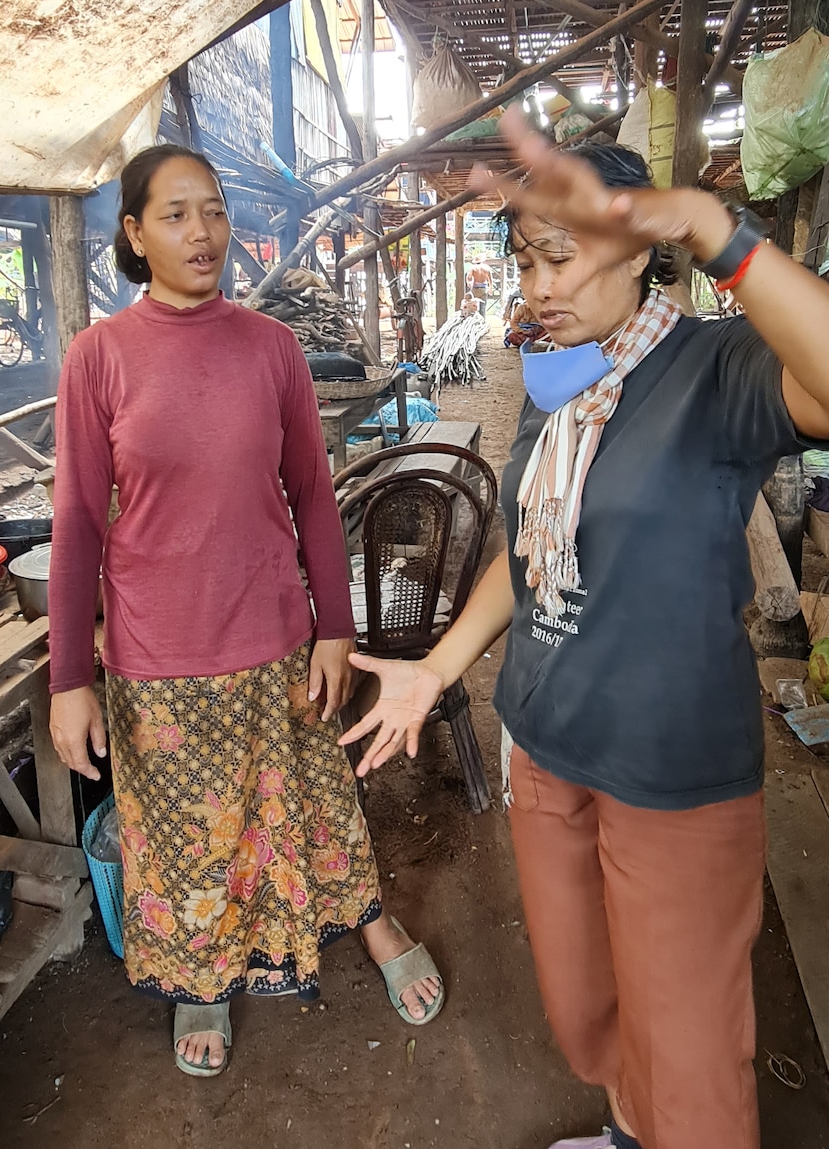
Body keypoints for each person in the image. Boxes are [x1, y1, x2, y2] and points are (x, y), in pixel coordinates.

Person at [340, 107, 829, 1149]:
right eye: (526, 263)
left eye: (560, 258)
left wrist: (716, 227)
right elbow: (523, 553)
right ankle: (624, 1131)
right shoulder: (567, 396)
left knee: (689, 1044)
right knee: (586, 1003)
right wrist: (435, 670)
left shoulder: (716, 371)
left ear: (644, 251)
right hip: (548, 753)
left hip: (670, 778)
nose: (538, 288)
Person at [48, 144, 443, 1078]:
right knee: (190, 837)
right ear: (136, 235)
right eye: (177, 215)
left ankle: (375, 924)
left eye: (215, 211)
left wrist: (336, 626)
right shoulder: (98, 357)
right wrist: (72, 678)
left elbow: (311, 490)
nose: (203, 232)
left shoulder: (272, 348)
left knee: (319, 804)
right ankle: (200, 980)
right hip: (156, 655)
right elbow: (74, 524)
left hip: (276, 636)